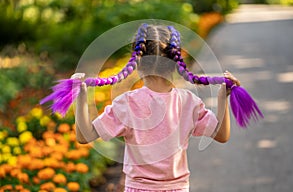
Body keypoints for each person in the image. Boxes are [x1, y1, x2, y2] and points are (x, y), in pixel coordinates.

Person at [72, 24, 240, 192]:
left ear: (137, 63)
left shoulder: (127, 103)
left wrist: (81, 96)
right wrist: (222, 97)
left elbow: (84, 135)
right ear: (176, 63)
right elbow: (221, 135)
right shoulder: (189, 102)